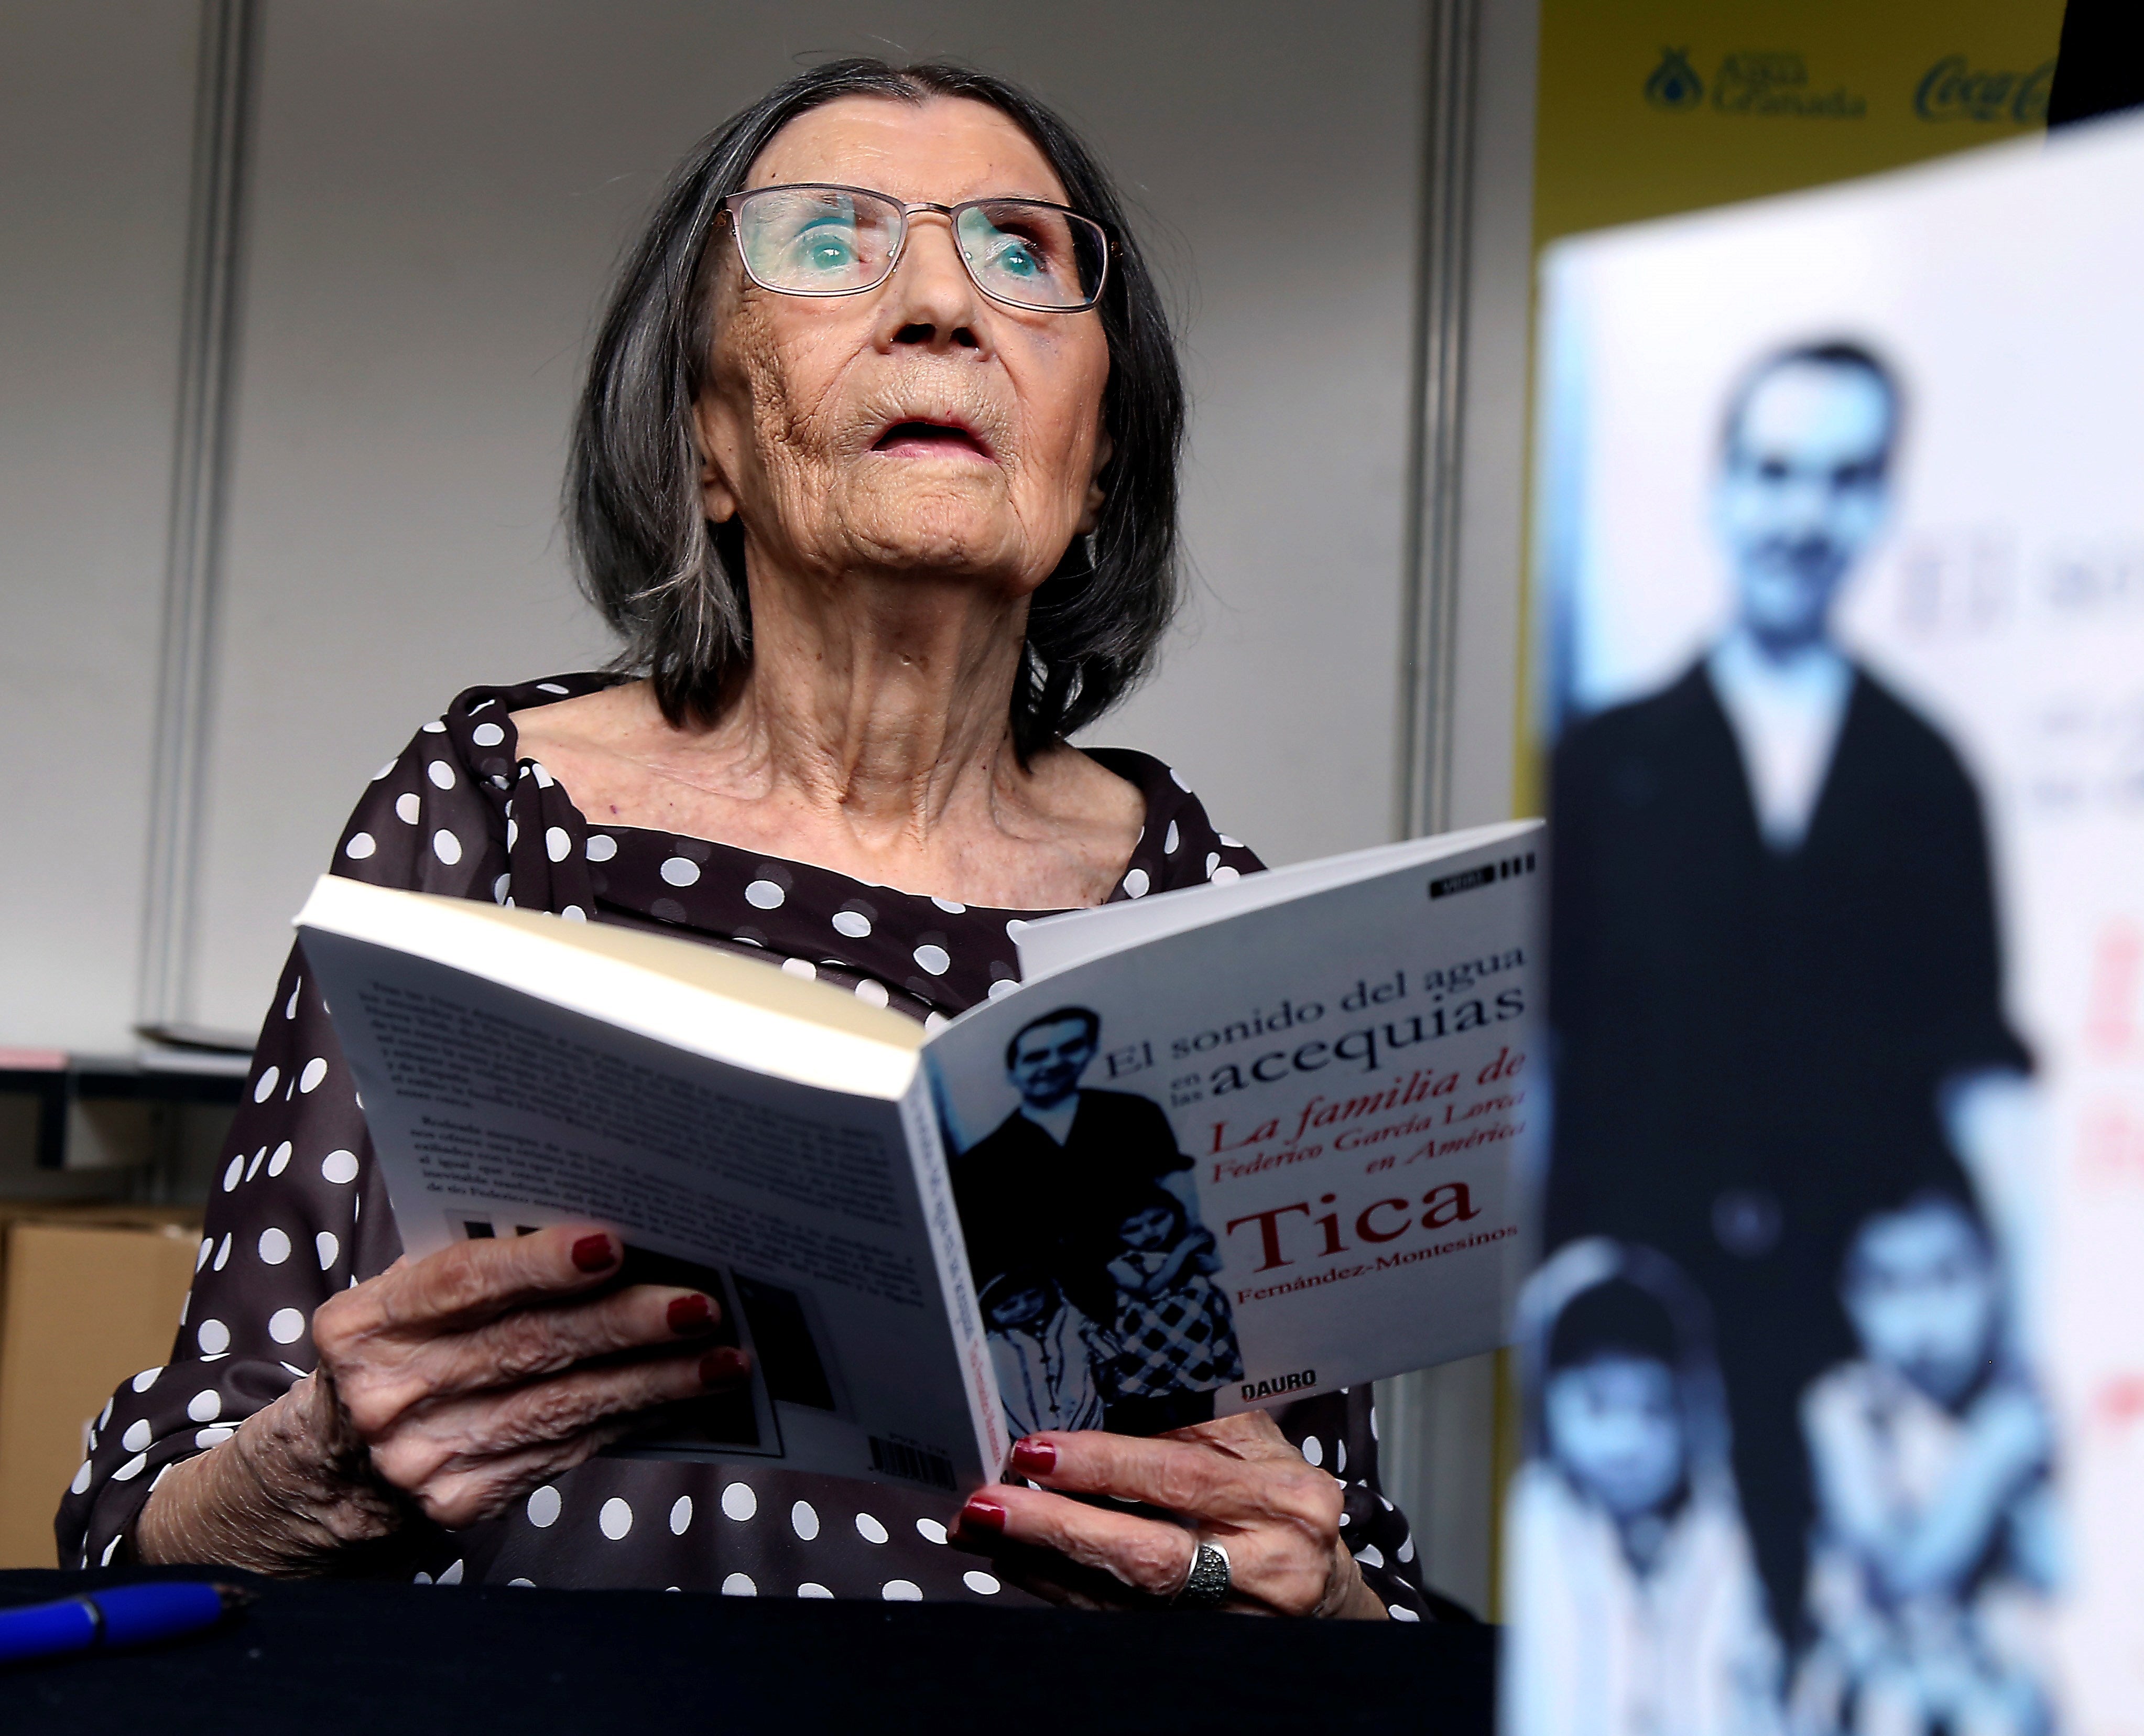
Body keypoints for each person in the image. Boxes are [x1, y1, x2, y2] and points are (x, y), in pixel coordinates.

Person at [58, 59, 1413, 1621]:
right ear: (709, 440)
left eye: (1020, 255)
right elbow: (163, 1516)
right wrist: (310, 1477)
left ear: (1096, 454)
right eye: (830, 245)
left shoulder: (1203, 916)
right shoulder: (485, 816)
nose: (939, 308)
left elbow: (1338, 1552)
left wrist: (1312, 1601)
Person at [1544, 339, 2033, 1648]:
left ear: (1879, 502)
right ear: (1718, 489)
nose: (1799, 514)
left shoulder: (1927, 776)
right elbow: (1545, 1052)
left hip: (1859, 1337)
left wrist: (2026, 1351)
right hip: (1648, 1331)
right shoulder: (1603, 764)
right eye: (1770, 472)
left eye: (1840, 478)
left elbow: (1980, 1073)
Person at [1791, 1191, 2055, 1736]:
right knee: (1892, 1710)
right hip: (1870, 1668)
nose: (1921, 1317)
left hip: (1988, 1674)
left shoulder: (2015, 1405)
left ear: (1993, 1280)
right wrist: (1987, 1464)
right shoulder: (1845, 1408)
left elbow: (2058, 1572)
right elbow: (1899, 1575)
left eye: (1946, 1280)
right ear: (1850, 1300)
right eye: (1887, 1287)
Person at [1504, 1240, 1784, 1736]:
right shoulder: (1536, 1519)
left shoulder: (1728, 1533)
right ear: (1547, 1402)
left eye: (1654, 1409)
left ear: (1694, 1408)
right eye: (1597, 1406)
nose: (1626, 1441)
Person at [948, 1006, 1233, 1433]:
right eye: (1036, 1056)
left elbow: (1179, 1197)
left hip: (1159, 1300)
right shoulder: (980, 1163)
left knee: (1196, 1413)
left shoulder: (1135, 1115)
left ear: (1089, 1052)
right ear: (1013, 1071)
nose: (1053, 1063)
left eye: (1070, 1048)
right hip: (1066, 1313)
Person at [1099, 1190, 1243, 1415]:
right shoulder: (1122, 1264)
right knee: (1160, 1403)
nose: (1149, 1232)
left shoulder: (1178, 1252)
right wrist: (1182, 1251)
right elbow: (1149, 1288)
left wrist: (1202, 1246)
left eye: (1158, 1220)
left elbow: (1213, 1268)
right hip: (1152, 1345)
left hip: (1195, 1340)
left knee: (1202, 1399)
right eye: (1132, 1229)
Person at [979, 1270, 1108, 1440]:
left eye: (1032, 1296)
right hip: (1021, 1427)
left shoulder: (1073, 1320)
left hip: (1083, 1416)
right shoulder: (993, 1344)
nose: (1024, 1308)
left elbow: (1106, 1355)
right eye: (1007, 1307)